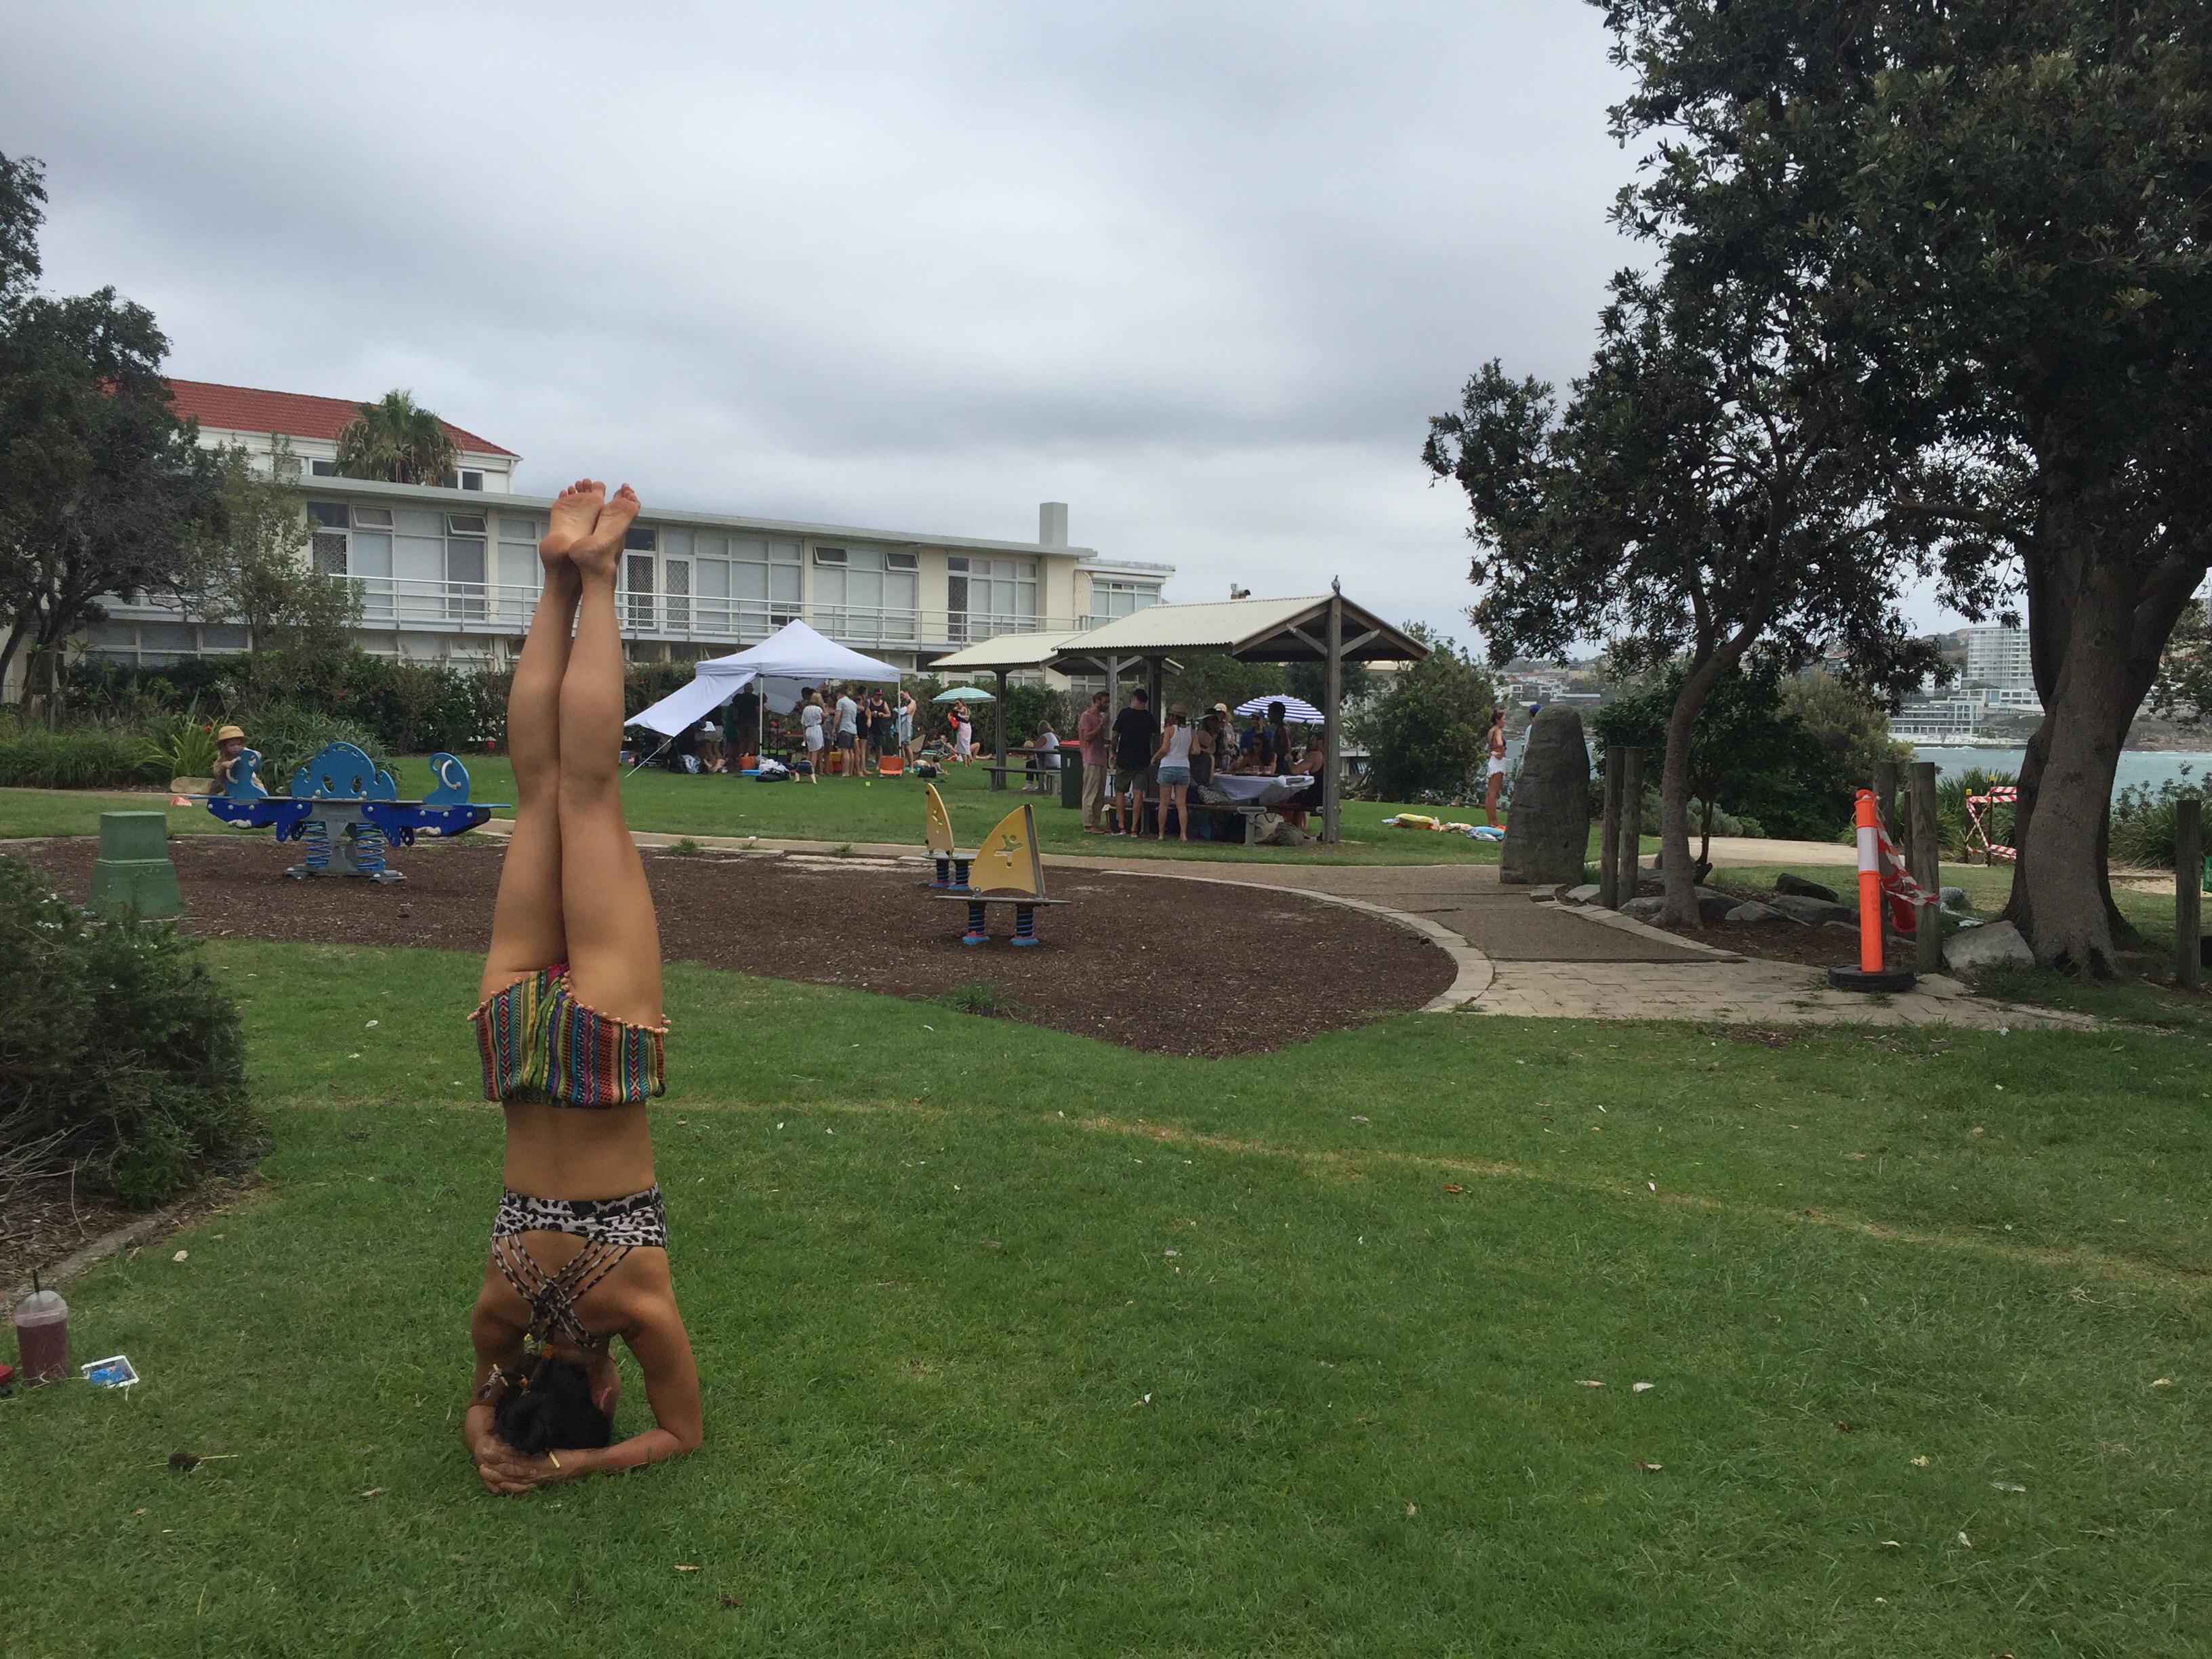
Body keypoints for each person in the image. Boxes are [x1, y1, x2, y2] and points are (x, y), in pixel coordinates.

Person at [464, 479, 702, 1496]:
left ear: (605, 1391)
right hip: (517, 1041)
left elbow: (680, 1434)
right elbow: (482, 1395)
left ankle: (594, 573)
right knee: (537, 797)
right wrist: (490, 1434)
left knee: (587, 794)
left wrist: (572, 1464)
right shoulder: (501, 1307)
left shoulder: (634, 1306)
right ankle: (555, 575)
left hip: (601, 1048)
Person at [1111, 688, 1158, 836]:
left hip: (1125, 758)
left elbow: (1115, 734)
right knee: (1138, 793)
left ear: (1134, 698)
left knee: (1120, 791)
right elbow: (1152, 736)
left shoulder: (1125, 714)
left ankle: (1121, 826)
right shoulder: (1148, 717)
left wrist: (1113, 751)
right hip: (1142, 759)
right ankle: (1134, 829)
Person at [1151, 703, 1194, 842]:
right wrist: (1186, 751)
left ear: (1174, 717)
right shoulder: (1191, 732)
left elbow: (1165, 749)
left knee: (1164, 803)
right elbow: (1197, 750)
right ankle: (1183, 835)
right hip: (1184, 767)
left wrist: (1155, 758)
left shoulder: (1169, 730)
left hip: (1168, 766)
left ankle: (1161, 834)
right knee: (1181, 803)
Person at [1076, 689, 1112, 834]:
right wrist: (1101, 725)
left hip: (1101, 759)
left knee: (1099, 795)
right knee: (1090, 792)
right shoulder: (1086, 716)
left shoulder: (1099, 717)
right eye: (1105, 702)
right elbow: (1087, 737)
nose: (1107, 705)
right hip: (1091, 759)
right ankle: (1088, 824)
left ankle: (1096, 823)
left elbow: (1098, 738)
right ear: (1097, 701)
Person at [725, 684, 760, 767]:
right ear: (752, 689)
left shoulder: (739, 698)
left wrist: (735, 717)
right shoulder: (755, 698)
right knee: (752, 738)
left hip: (741, 722)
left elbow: (735, 709)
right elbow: (757, 709)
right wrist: (759, 719)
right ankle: (748, 754)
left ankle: (741, 755)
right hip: (752, 721)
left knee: (742, 739)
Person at [1484, 708, 1508, 827]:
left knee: (1490, 793)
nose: (1505, 721)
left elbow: (1490, 748)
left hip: (1492, 760)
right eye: (1504, 719)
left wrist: (1494, 753)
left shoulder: (1491, 731)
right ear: (1498, 720)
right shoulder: (1498, 731)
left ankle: (1490, 820)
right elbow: (1499, 743)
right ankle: (1493, 821)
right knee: (1494, 792)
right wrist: (1502, 752)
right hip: (1498, 762)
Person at [1027, 720, 1061, 794]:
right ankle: (1040, 784)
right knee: (1036, 763)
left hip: (1050, 762)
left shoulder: (1045, 736)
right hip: (1057, 762)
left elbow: (1035, 747)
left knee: (1031, 764)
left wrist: (1030, 745)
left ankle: (1033, 784)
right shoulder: (1052, 735)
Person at [211, 723, 248, 790]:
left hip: (247, 779)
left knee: (258, 786)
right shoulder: (222, 754)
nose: (236, 747)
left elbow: (256, 755)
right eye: (232, 745)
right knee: (216, 786)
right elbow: (216, 769)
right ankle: (225, 791)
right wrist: (223, 764)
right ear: (224, 746)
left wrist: (254, 759)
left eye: (239, 744)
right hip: (229, 780)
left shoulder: (245, 751)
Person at [798, 687, 825, 783]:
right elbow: (825, 716)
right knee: (815, 752)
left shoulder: (806, 709)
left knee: (810, 751)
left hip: (808, 730)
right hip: (816, 729)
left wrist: (804, 735)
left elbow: (803, 722)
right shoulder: (818, 709)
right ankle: (811, 771)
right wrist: (823, 707)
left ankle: (806, 769)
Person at [834, 685, 859, 777]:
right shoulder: (853, 703)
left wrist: (834, 727)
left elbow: (837, 715)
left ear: (840, 695)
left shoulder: (841, 702)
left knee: (845, 750)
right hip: (853, 729)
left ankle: (845, 772)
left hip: (845, 728)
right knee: (851, 751)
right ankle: (850, 771)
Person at [897, 689, 918, 761]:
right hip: (900, 725)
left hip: (907, 726)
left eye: (902, 694)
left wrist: (900, 710)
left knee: (907, 746)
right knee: (900, 746)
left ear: (906, 692)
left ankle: (911, 765)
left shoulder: (912, 702)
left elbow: (907, 712)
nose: (901, 696)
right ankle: (901, 763)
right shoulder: (901, 702)